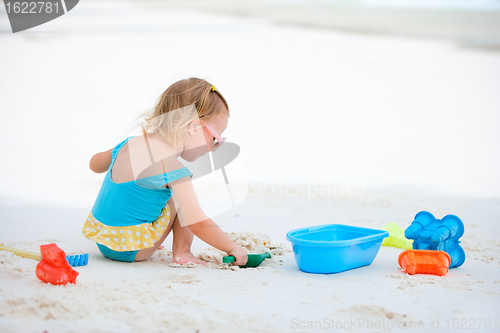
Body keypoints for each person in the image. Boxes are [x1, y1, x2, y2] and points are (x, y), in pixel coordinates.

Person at [81, 77, 248, 265]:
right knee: (180, 198)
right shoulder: (173, 169)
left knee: (159, 191)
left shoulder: (129, 143)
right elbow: (198, 223)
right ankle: (182, 252)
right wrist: (232, 248)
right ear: (194, 126)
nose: (213, 148)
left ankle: (140, 232)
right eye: (215, 139)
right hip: (132, 250)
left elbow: (94, 164)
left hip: (103, 240)